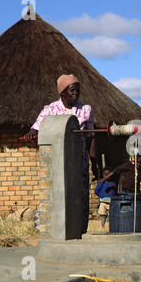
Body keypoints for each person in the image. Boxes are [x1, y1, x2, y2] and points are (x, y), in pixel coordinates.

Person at [24, 74, 95, 234]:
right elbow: (35, 127)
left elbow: (90, 138)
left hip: (79, 161)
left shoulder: (85, 110)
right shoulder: (50, 110)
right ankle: (52, 228)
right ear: (62, 92)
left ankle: (79, 230)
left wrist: (94, 163)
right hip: (59, 161)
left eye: (78, 89)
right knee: (57, 192)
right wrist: (30, 133)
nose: (76, 93)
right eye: (72, 90)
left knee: (80, 194)